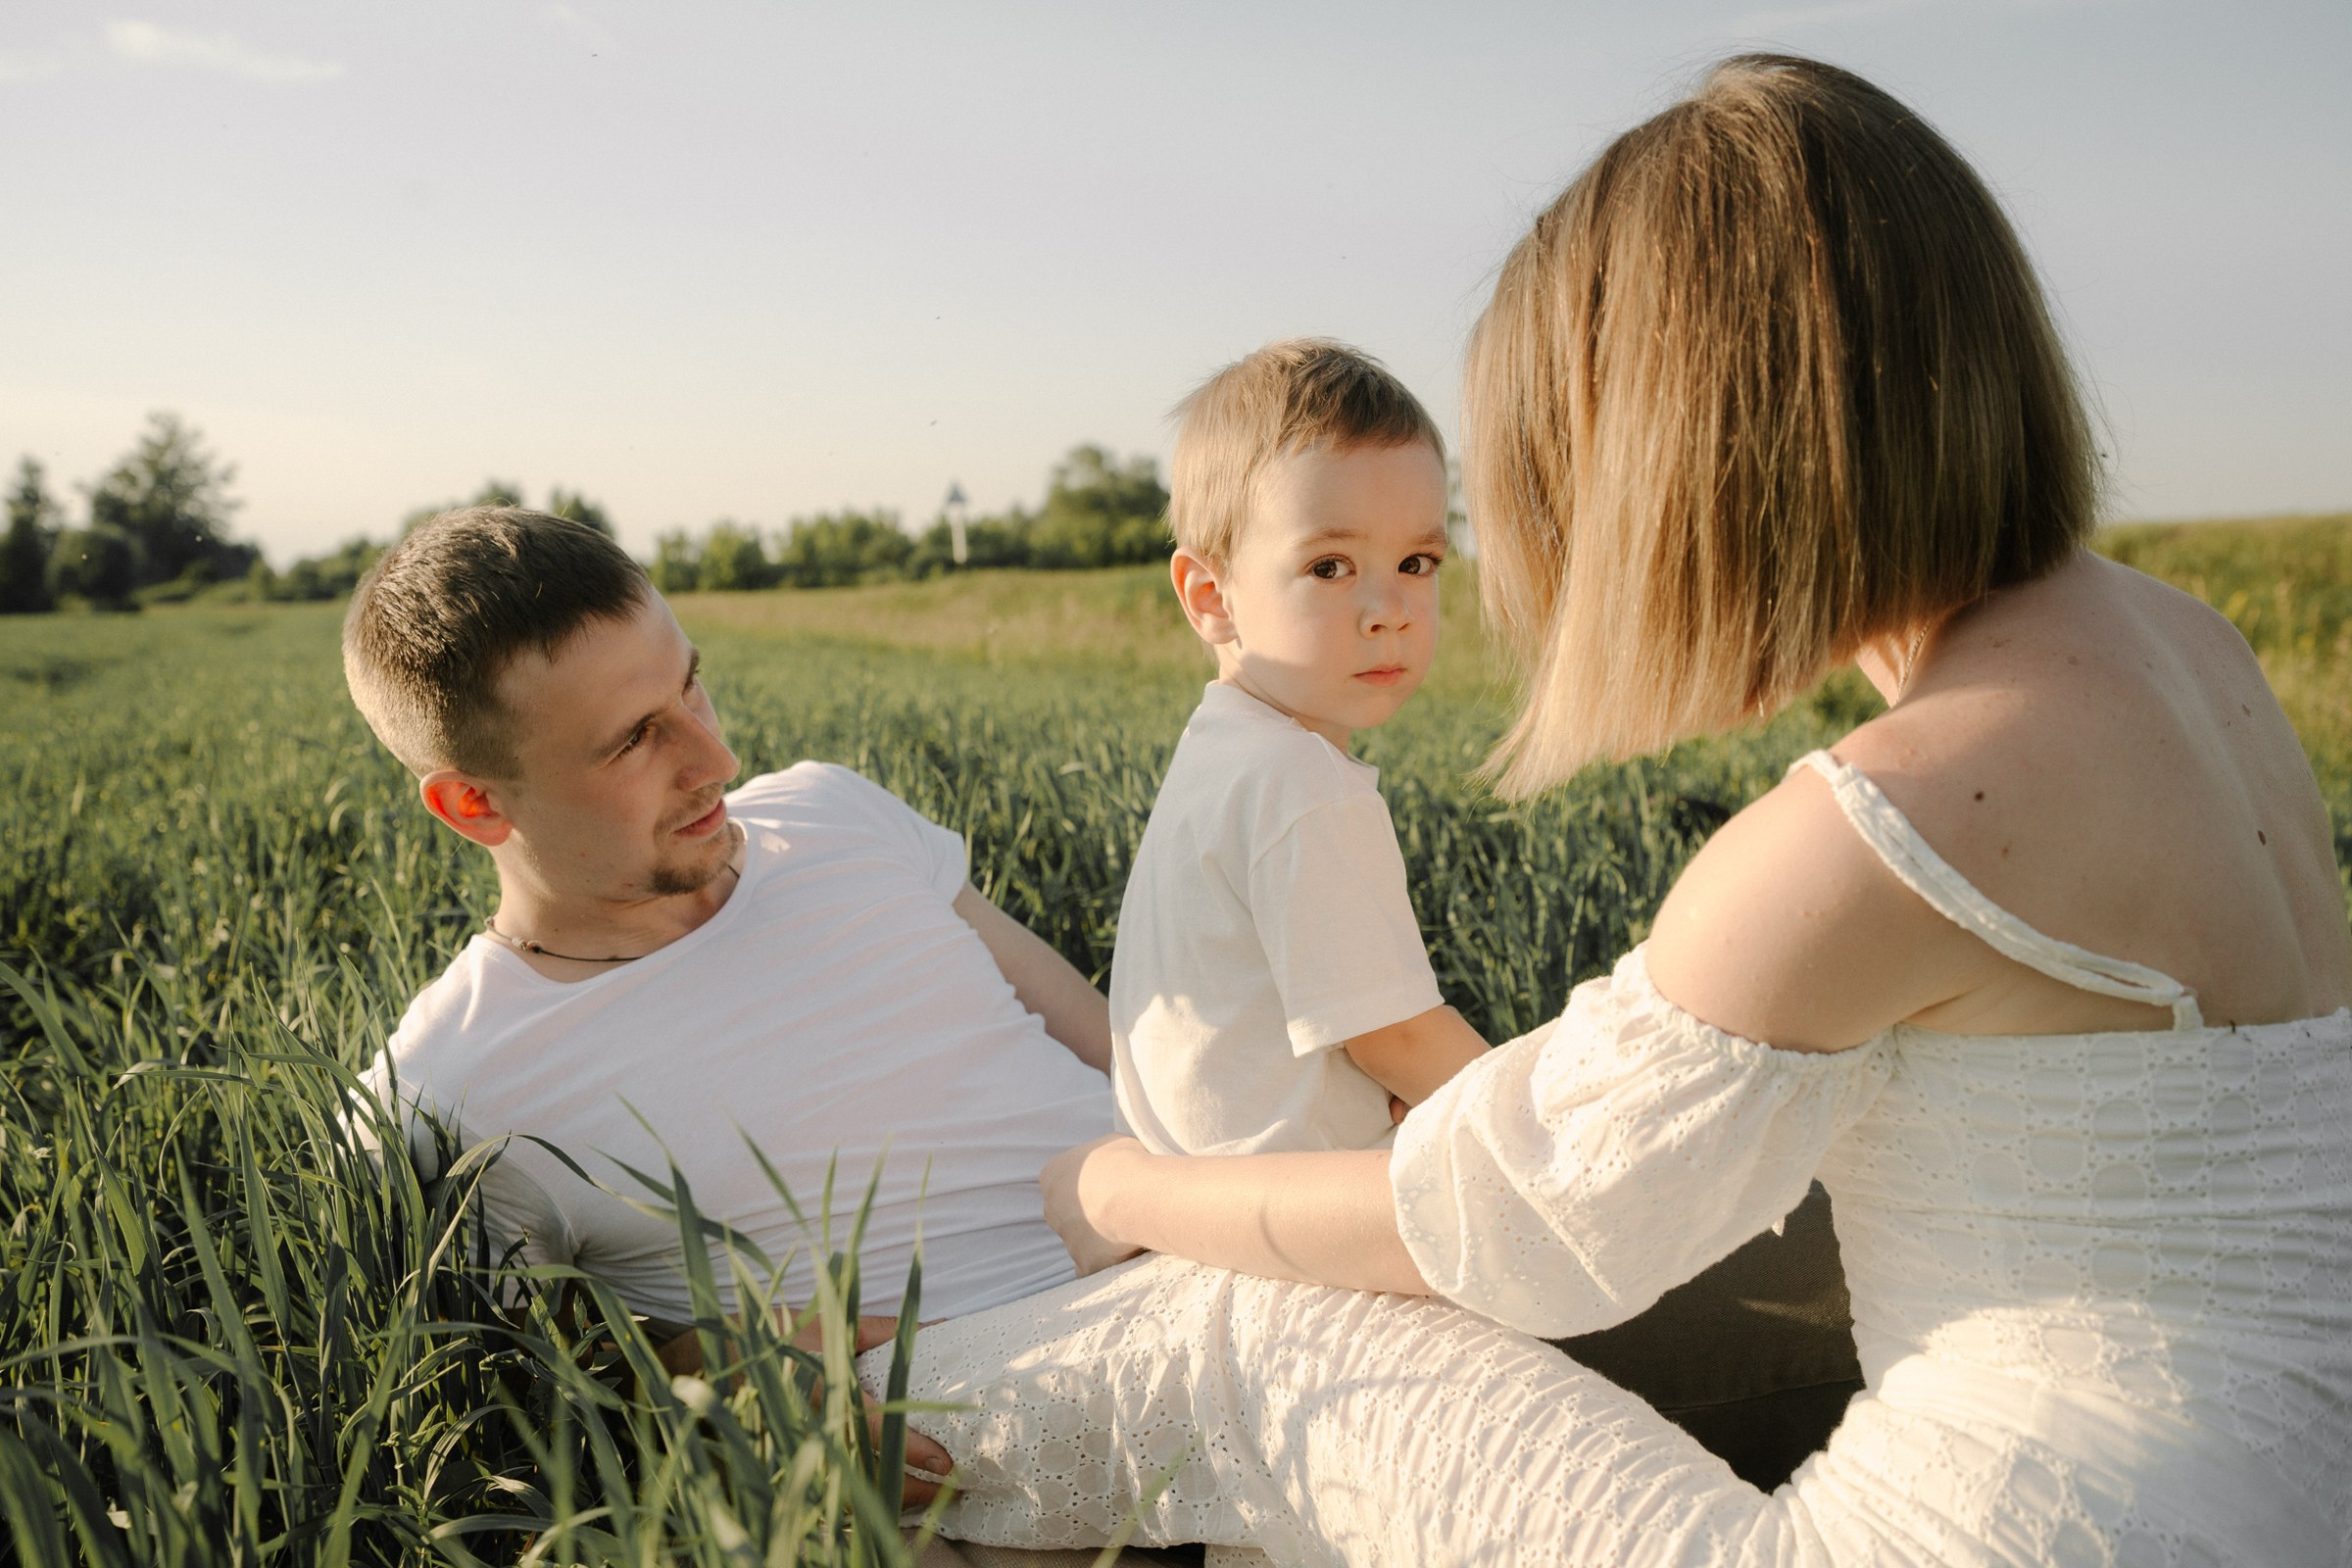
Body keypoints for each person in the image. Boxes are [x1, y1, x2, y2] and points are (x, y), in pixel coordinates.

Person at [873, 54, 2352, 1565]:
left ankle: (825, 1416)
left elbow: (1498, 1230)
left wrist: (1117, 1181)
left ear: (1693, 447)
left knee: (1265, 1335)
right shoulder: (2195, 651)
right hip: (2297, 1496)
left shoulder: (1874, 827)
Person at [1113, 338, 1488, 1158]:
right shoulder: (1304, 782)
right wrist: (1544, 1116)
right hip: (1306, 1205)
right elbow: (1399, 1041)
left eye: (1416, 561)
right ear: (1212, 598)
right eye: (1330, 566)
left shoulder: (1222, 754)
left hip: (1211, 1192)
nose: (1388, 607)